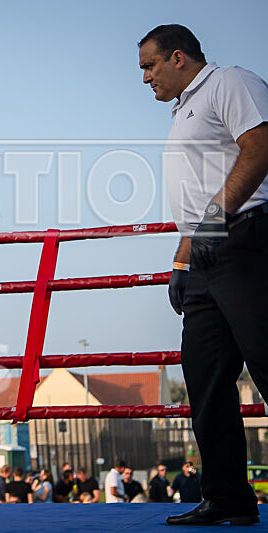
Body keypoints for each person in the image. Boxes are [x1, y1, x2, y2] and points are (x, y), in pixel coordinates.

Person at [139, 23, 268, 526]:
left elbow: (259, 147)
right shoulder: (182, 113)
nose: (145, 78)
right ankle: (229, 497)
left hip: (246, 242)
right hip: (205, 257)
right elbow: (197, 196)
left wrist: (214, 223)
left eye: (149, 66)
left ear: (177, 58)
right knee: (206, 382)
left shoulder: (229, 83)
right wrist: (181, 259)